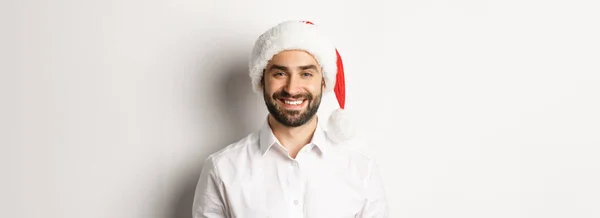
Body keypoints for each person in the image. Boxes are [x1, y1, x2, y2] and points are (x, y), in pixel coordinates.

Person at [192, 20, 389, 218]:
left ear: (323, 81)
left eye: (306, 73)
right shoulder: (222, 169)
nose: (292, 88)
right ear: (262, 80)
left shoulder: (361, 170)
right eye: (280, 73)